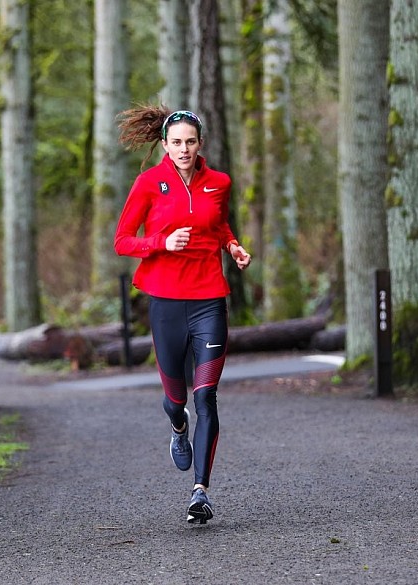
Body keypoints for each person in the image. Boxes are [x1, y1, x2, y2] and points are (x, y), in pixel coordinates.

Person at [113, 104, 252, 524]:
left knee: (205, 394)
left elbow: (219, 226)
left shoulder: (219, 183)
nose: (184, 149)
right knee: (177, 399)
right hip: (166, 302)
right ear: (165, 145)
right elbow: (122, 241)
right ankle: (177, 425)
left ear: (200, 143)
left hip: (209, 298)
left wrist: (233, 246)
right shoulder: (148, 184)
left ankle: (200, 492)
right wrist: (161, 243)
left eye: (191, 142)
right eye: (176, 142)